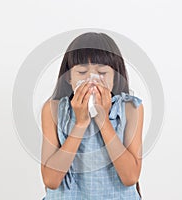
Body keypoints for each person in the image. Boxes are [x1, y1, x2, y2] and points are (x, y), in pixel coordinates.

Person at [40, 32, 144, 199]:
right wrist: (80, 124)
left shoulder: (130, 108)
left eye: (102, 72)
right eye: (82, 72)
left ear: (115, 77)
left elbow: (130, 177)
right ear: (68, 78)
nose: (92, 80)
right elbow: (51, 180)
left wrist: (103, 120)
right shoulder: (53, 109)